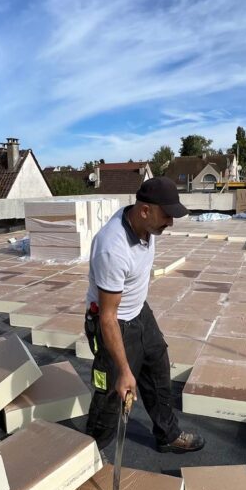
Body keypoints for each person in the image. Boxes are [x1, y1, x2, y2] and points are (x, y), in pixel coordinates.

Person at [83, 177, 205, 454]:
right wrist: (125, 370)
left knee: (158, 370)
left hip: (140, 312)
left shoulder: (145, 224)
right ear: (145, 210)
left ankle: (168, 435)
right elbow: (107, 317)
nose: (170, 223)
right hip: (113, 323)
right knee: (114, 390)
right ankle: (90, 453)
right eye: (167, 216)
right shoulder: (112, 248)